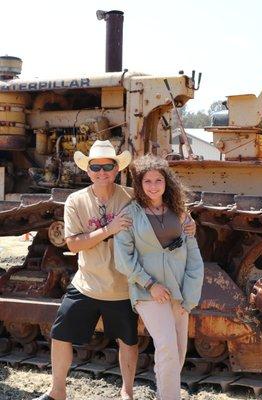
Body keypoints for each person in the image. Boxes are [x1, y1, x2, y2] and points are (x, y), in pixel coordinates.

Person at [35, 141, 196, 400]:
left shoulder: (131, 197)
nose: (101, 171)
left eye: (107, 166)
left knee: (128, 341)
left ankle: (127, 391)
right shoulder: (76, 201)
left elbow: (164, 208)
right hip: (87, 282)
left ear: (116, 168)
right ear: (87, 171)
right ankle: (57, 391)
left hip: (123, 285)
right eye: (95, 166)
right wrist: (108, 229)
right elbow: (74, 244)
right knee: (60, 333)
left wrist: (188, 222)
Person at [114, 155, 204, 400]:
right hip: (149, 292)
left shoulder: (180, 212)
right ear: (139, 184)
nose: (153, 186)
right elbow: (123, 258)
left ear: (167, 182)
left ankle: (166, 392)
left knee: (179, 350)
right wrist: (150, 284)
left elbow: (193, 254)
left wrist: (191, 294)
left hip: (180, 291)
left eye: (158, 180)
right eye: (147, 181)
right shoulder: (131, 215)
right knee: (166, 347)